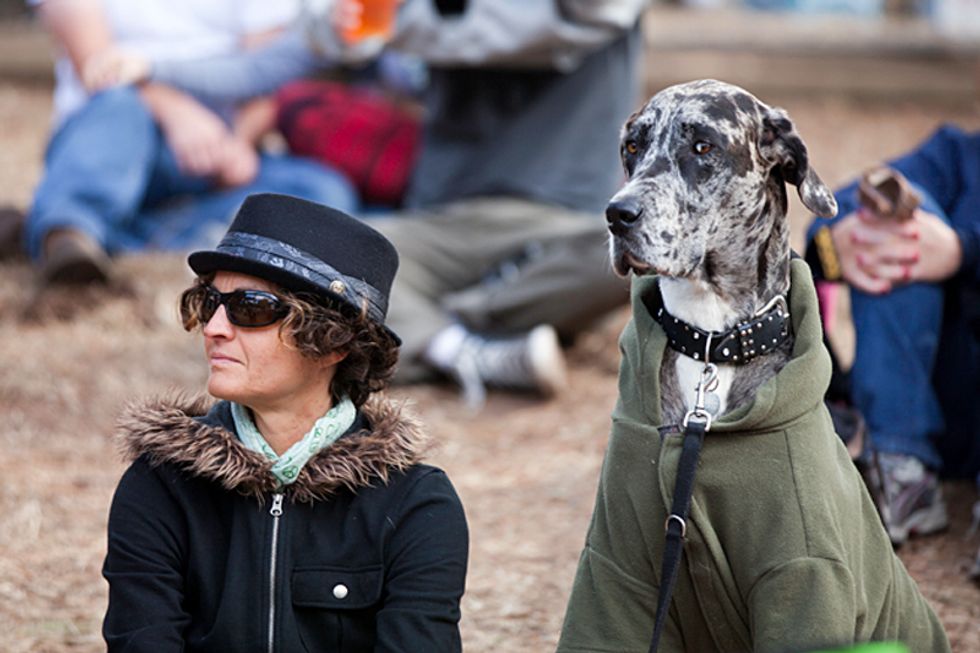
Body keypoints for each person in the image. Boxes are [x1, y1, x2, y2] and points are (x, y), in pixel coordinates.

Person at [87, 0, 648, 406]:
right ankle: (463, 346)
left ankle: (438, 325)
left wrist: (405, 23)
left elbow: (533, 31)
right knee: (311, 268)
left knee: (645, 252)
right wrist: (154, 68)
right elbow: (279, 59)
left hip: (567, 221)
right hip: (443, 222)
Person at [102, 193, 469, 650]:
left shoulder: (416, 505)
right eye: (210, 301)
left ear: (335, 342)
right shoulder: (159, 485)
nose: (214, 327)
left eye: (250, 307)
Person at [24, 0, 358, 286]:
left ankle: (87, 231)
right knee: (119, 107)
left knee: (323, 194)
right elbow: (98, 65)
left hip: (217, 149)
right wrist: (179, 114)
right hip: (115, 137)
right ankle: (69, 228)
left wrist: (239, 142)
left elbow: (267, 73)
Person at [805, 125, 980, 554]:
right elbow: (835, 213)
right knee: (892, 218)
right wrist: (837, 245)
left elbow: (961, 249)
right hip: (937, 405)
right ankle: (901, 469)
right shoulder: (957, 154)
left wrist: (962, 250)